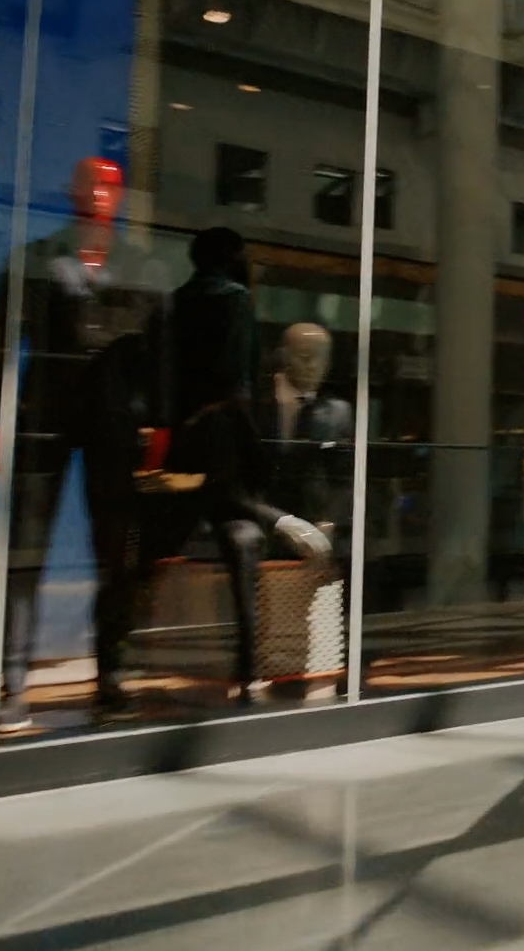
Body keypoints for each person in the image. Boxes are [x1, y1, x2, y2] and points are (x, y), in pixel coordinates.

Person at [0, 157, 170, 727]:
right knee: (26, 551)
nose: (97, 192)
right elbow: (0, 346)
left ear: (120, 195)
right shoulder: (37, 261)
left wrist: (160, 424)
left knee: (115, 555)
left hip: (116, 426)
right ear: (70, 191)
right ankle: (13, 678)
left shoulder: (144, 267)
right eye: (88, 182)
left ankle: (110, 675)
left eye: (109, 184)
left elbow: (164, 358)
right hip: (45, 416)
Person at [145, 227, 328, 704]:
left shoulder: (171, 304)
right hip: (218, 444)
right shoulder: (235, 300)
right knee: (241, 543)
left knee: (143, 560)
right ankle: (249, 673)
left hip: (177, 449)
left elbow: (161, 380)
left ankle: (110, 665)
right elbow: (239, 380)